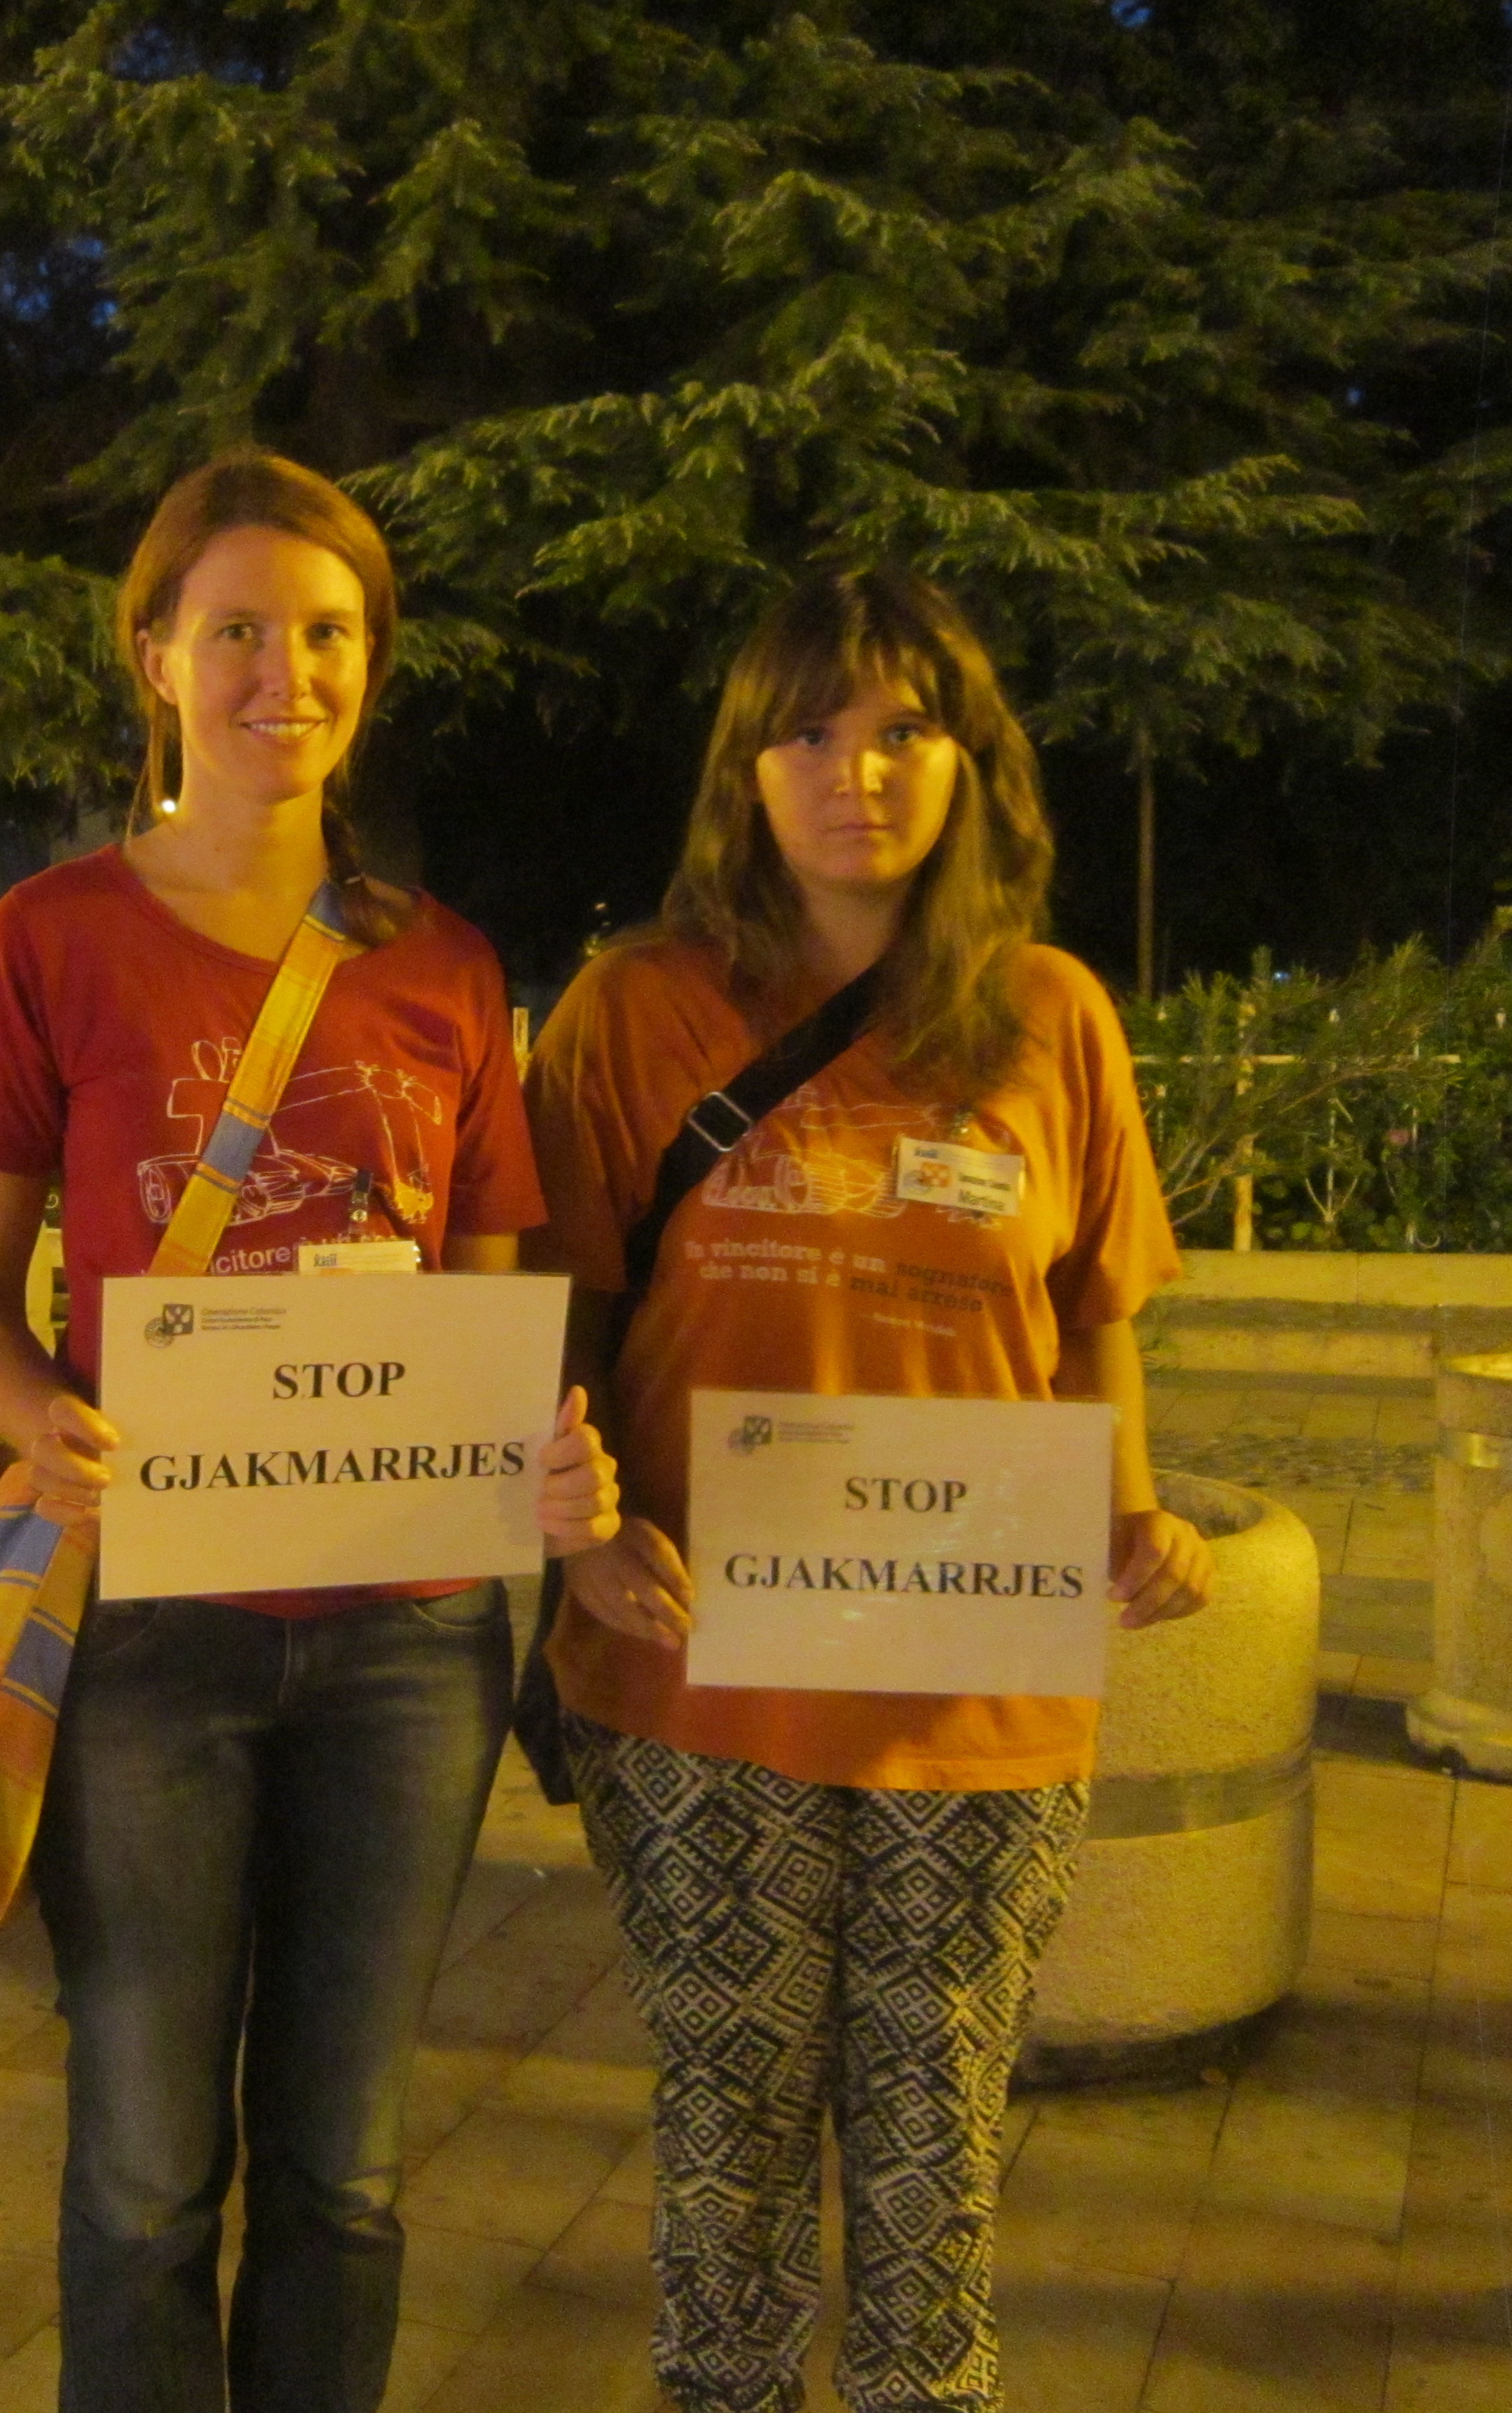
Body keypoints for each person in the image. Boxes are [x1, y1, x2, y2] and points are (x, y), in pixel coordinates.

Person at [0, 449, 622, 2413]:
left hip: (407, 1644)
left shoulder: (445, 967)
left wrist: (547, 1466)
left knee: (346, 2173)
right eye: (234, 630)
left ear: (367, 667)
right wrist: (37, 1416)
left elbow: (485, 1311)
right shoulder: (52, 937)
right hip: (149, 1629)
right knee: (146, 2170)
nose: (281, 676)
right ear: (154, 654)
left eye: (325, 635)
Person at [524, 565, 1213, 2413]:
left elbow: (1093, 1323)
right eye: (810, 733)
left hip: (968, 1693)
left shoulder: (1051, 1016)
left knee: (935, 2158)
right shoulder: (634, 1011)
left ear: (970, 762)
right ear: (745, 770)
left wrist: (1132, 1516)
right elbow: (555, 1315)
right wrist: (580, 1539)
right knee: (727, 2149)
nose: (859, 772)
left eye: (907, 728)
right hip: (699, 1681)